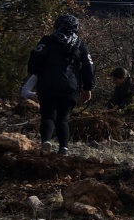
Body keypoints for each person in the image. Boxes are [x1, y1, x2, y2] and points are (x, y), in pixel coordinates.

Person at [27, 14, 94, 155]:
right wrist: (88, 87)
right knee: (63, 118)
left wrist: (35, 71)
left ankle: (46, 141)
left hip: (48, 82)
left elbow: (35, 57)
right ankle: (64, 148)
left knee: (48, 115)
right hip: (71, 85)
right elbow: (88, 66)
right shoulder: (80, 44)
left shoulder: (48, 40)